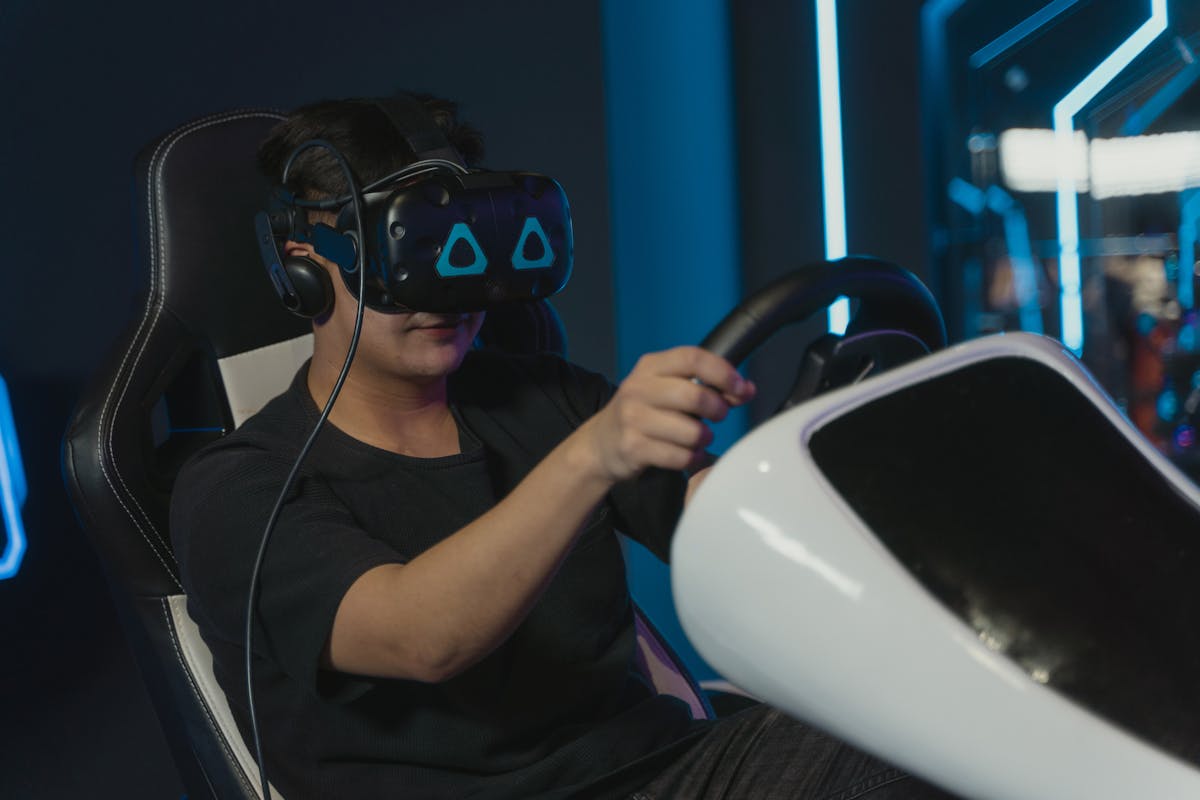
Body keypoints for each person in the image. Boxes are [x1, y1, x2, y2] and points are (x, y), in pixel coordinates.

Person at [170, 94, 956, 800]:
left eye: (465, 246)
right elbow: (419, 636)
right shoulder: (240, 490)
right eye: (407, 253)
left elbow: (729, 531)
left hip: (669, 771)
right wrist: (592, 456)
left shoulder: (543, 398)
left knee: (935, 713)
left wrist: (816, 460)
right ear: (306, 265)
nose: (446, 289)